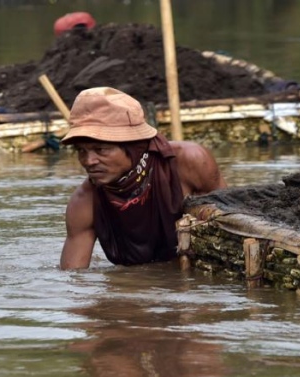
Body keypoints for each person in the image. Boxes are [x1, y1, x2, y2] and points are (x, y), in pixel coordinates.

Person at [59, 87, 227, 270]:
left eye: (101, 150)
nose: (88, 161)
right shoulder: (84, 202)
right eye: (81, 151)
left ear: (133, 147)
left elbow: (230, 227)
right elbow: (73, 278)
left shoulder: (189, 163)